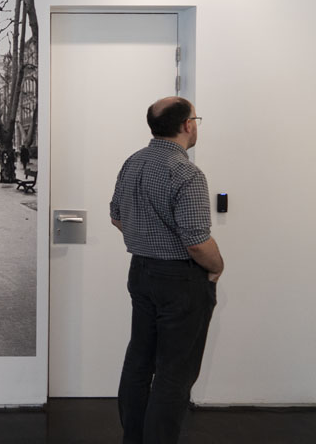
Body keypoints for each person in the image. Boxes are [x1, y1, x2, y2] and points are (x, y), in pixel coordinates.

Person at [109, 97, 224, 444]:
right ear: (188, 125)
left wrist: (146, 240)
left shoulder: (133, 162)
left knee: (140, 361)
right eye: (195, 119)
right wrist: (218, 266)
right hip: (180, 281)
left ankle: (134, 437)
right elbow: (196, 242)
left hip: (140, 273)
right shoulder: (186, 172)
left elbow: (116, 216)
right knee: (175, 373)